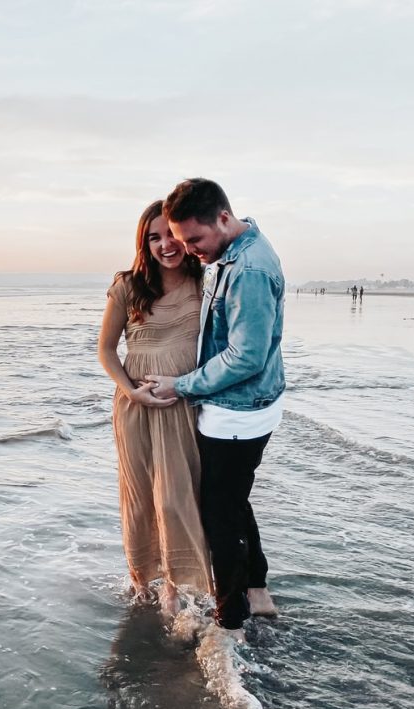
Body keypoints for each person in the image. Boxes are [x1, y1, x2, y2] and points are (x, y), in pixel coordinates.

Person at [145, 179, 285, 641]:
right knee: (233, 500)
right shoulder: (236, 252)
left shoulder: (249, 269)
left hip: (237, 412)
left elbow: (247, 356)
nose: (190, 250)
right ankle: (257, 590)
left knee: (218, 514)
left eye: (194, 240)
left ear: (223, 218)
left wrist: (182, 385)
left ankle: (230, 619)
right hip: (243, 407)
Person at [98, 200, 213, 618]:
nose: (166, 244)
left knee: (177, 496)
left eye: (172, 235)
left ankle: (177, 585)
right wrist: (132, 393)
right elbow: (106, 351)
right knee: (142, 496)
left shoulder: (205, 282)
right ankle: (143, 579)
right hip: (136, 407)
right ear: (143, 242)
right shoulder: (128, 285)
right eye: (154, 237)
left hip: (183, 404)